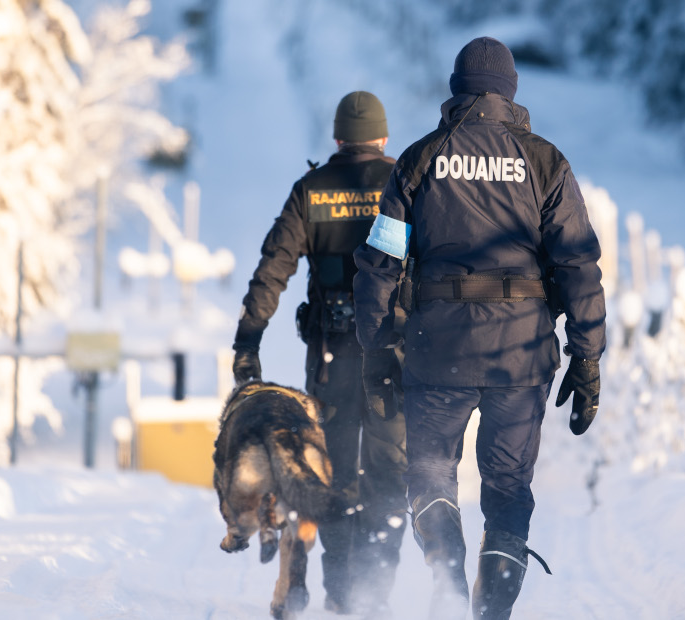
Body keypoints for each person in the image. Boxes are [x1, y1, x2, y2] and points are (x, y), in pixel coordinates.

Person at [352, 37, 606, 620]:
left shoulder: (419, 160)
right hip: (520, 358)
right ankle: (489, 613)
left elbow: (380, 260)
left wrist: (375, 347)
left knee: (432, 474)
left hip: (436, 353)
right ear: (510, 92)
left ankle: (445, 585)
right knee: (509, 488)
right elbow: (577, 264)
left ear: (456, 88)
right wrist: (587, 356)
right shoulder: (545, 161)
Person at [231, 91, 409, 616]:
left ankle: (340, 594)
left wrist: (248, 342)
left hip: (331, 358)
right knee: (389, 473)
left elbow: (273, 269)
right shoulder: (405, 186)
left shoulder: (310, 192)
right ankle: (375, 593)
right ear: (383, 138)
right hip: (393, 360)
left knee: (334, 477)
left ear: (337, 139)